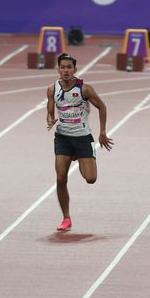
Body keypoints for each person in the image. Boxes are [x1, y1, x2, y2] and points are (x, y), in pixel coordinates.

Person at [46, 53, 113, 231]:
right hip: (63, 138)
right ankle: (66, 217)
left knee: (90, 179)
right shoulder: (52, 89)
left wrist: (103, 131)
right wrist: (51, 118)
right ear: (58, 69)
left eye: (69, 67)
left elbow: (102, 106)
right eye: (63, 67)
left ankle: (80, 157)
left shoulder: (85, 89)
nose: (66, 70)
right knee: (60, 178)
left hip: (83, 138)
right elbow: (50, 109)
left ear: (75, 69)